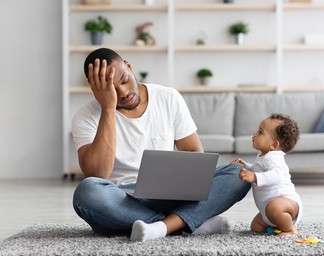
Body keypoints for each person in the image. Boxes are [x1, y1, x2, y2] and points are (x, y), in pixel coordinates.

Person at [71, 47, 251, 242]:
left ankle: (161, 225)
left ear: (129, 66)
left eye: (124, 80)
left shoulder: (168, 97)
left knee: (240, 173)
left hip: (169, 194)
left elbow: (193, 151)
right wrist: (108, 107)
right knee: (87, 193)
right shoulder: (85, 117)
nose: (123, 92)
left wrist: (184, 181)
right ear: (95, 89)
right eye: (112, 90)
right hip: (122, 199)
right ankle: (183, 224)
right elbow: (98, 174)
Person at [231, 113, 302, 236]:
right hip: (267, 210)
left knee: (274, 209)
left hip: (286, 203)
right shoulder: (263, 154)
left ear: (274, 145)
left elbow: (276, 175)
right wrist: (247, 166)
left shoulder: (274, 157)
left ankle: (290, 229)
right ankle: (277, 223)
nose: (254, 134)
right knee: (256, 226)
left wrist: (254, 177)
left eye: (260, 132)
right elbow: (259, 169)